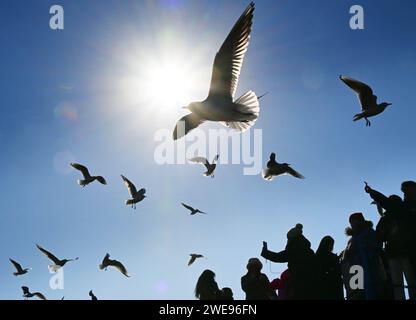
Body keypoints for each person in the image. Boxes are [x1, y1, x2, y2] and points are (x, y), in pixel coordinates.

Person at [365, 184, 416, 300]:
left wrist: (372, 193)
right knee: (408, 280)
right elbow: (379, 235)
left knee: (400, 282)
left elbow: (379, 236)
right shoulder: (399, 212)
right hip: (401, 251)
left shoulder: (400, 212)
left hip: (399, 251)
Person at [261, 224, 318, 299]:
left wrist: (265, 253)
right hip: (311, 284)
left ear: (291, 239)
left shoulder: (293, 249)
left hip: (296, 284)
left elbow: (278, 257)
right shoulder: (309, 251)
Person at [341, 212, 387, 300]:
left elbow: (377, 245)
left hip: (370, 265)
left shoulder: (369, 232)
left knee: (374, 290)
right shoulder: (351, 239)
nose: (352, 224)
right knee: (359, 293)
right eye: (351, 223)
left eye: (354, 221)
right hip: (356, 270)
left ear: (359, 221)